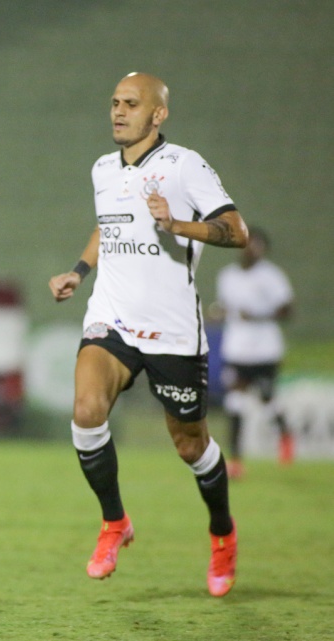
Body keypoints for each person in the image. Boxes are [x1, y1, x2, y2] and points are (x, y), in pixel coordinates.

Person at [48, 73, 248, 598]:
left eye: (131, 104)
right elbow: (107, 226)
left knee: (190, 446)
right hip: (111, 317)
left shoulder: (185, 165)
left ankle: (222, 533)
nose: (118, 111)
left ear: (157, 115)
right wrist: (79, 270)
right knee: (86, 411)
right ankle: (115, 522)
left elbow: (236, 229)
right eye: (114, 102)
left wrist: (179, 225)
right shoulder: (101, 168)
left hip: (172, 329)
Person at [215, 227, 294, 478]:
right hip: (237, 348)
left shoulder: (271, 276)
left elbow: (287, 310)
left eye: (257, 245)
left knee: (267, 398)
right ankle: (236, 460)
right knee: (235, 402)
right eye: (248, 243)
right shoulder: (227, 276)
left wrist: (258, 316)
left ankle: (285, 436)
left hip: (265, 349)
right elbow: (226, 308)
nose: (251, 249)